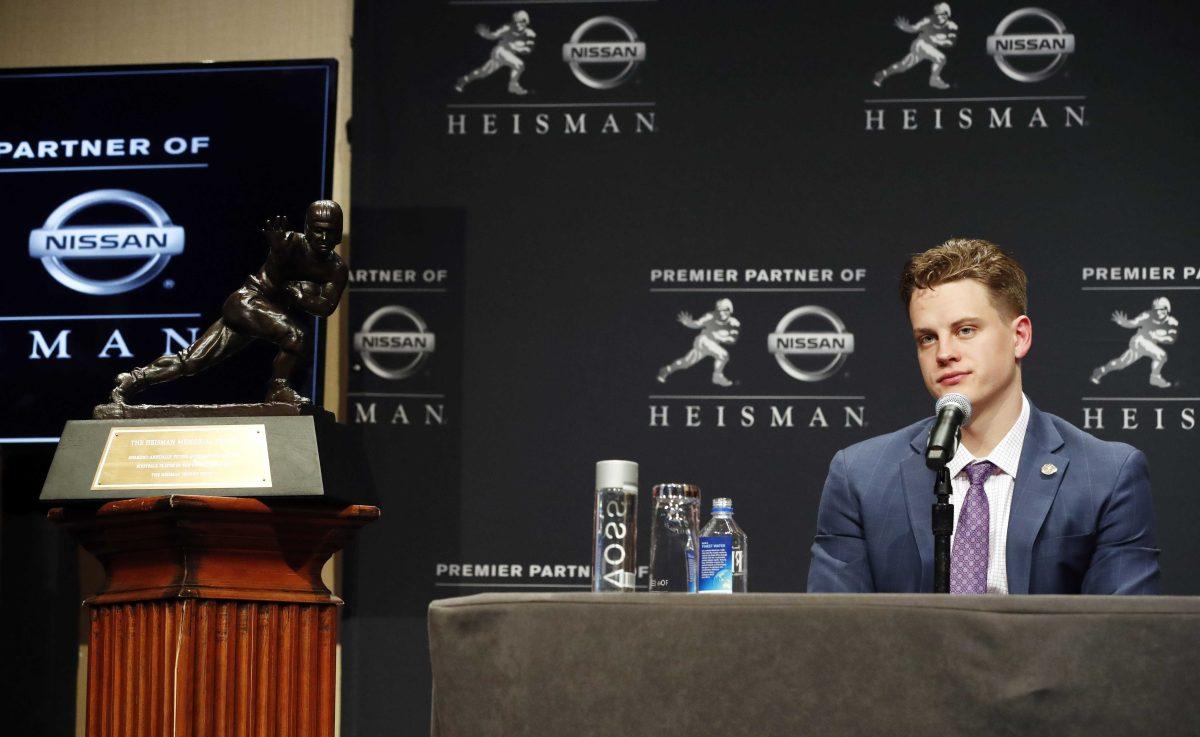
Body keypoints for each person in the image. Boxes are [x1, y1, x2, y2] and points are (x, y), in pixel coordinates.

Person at [807, 238, 1160, 594]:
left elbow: (1119, 637)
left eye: (965, 331)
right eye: (927, 338)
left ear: (1019, 337)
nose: (944, 353)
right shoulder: (860, 477)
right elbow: (834, 633)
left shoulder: (1106, 475)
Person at [109, 200, 348, 406]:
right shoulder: (289, 243)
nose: (324, 238)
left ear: (339, 233)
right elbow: (277, 269)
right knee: (296, 336)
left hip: (262, 314)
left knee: (192, 361)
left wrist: (296, 295)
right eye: (318, 231)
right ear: (307, 228)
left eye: (331, 231)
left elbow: (325, 307)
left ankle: (133, 380)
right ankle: (278, 388)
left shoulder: (336, 269)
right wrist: (277, 252)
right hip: (248, 302)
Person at [1090, 297, 1179, 388]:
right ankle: (1155, 378)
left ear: (1167, 309)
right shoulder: (1147, 315)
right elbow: (1133, 323)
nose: (1159, 312)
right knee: (1161, 355)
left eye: (1162, 309)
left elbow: (1171, 339)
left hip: (1149, 345)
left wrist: (1157, 336)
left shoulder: (1172, 322)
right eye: (1157, 310)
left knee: (1121, 363)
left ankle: (1101, 370)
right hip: (1139, 341)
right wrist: (1124, 323)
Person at [657, 298, 740, 387]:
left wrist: (720, 337)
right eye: (720, 310)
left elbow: (733, 340)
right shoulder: (710, 316)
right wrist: (688, 323)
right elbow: (697, 324)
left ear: (730, 309)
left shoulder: (734, 323)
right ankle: (717, 376)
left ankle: (667, 369)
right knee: (723, 355)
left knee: (685, 363)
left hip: (712, 345)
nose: (722, 313)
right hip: (703, 341)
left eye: (725, 310)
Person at [872, 3, 957, 90]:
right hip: (920, 44)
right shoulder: (928, 19)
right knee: (941, 58)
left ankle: (883, 73)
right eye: (937, 14)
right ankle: (934, 79)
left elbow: (951, 43)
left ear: (947, 13)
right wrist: (906, 27)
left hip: (928, 50)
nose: (939, 17)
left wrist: (938, 40)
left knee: (902, 67)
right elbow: (915, 28)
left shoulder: (952, 26)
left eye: (942, 14)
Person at [454, 10, 537, 96]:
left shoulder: (530, 33)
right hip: (500, 51)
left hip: (508, 55)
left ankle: (464, 79)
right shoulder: (507, 27)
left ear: (526, 21)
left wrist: (516, 48)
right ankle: (513, 85)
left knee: (483, 72)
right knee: (519, 64)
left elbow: (528, 50)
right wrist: (485, 34)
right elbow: (493, 35)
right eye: (516, 21)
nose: (518, 24)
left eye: (521, 21)